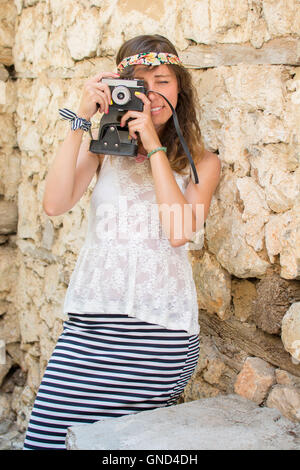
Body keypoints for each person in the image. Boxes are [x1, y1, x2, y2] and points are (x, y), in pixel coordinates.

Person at [23, 34, 221, 450]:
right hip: (91, 327)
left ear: (180, 88)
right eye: (139, 83)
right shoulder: (105, 149)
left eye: (163, 81)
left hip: (159, 333)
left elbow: (178, 231)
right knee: (45, 439)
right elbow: (55, 203)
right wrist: (81, 119)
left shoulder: (202, 161)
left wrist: (152, 144)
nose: (151, 94)